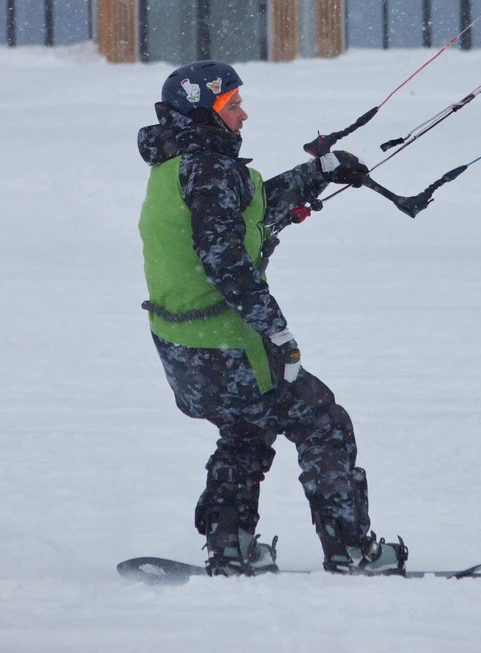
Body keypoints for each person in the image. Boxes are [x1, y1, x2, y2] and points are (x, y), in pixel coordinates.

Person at [137, 60, 408, 577]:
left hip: (183, 345)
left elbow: (246, 212)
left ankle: (232, 547)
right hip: (231, 343)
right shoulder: (210, 171)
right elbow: (225, 259)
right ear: (203, 114)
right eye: (232, 105)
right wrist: (276, 331)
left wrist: (317, 174)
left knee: (245, 430)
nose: (243, 114)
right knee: (323, 423)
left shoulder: (178, 165)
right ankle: (352, 550)